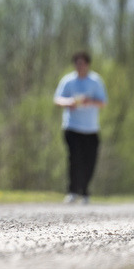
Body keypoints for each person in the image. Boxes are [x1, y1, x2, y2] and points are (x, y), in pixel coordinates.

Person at [53, 51, 107, 204]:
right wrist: (69, 102)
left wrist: (89, 101)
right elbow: (57, 99)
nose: (79, 66)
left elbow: (103, 102)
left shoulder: (95, 81)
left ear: (87, 64)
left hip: (91, 128)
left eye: (82, 63)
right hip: (72, 127)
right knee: (74, 159)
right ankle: (72, 191)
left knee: (89, 162)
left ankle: (84, 191)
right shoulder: (68, 81)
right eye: (77, 63)